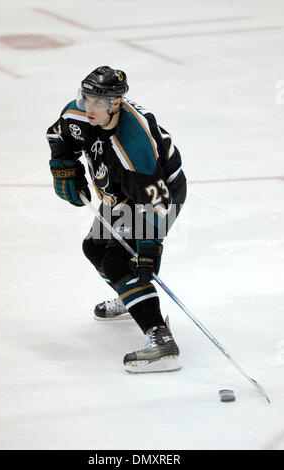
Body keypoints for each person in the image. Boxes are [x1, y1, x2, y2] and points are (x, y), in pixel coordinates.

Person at [46, 66, 187, 373]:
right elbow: (59, 134)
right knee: (95, 248)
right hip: (121, 194)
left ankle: (160, 337)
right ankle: (132, 294)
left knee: (122, 262)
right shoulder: (79, 114)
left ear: (116, 103)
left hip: (158, 194)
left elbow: (156, 203)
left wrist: (150, 247)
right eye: (86, 97)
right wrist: (63, 166)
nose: (88, 106)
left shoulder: (134, 147)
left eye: (97, 101)